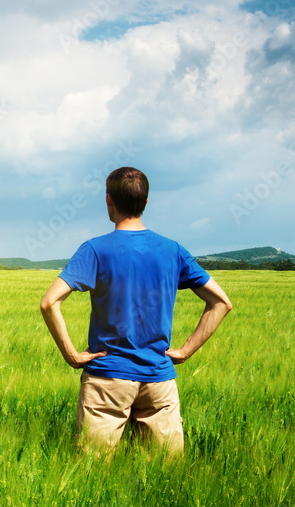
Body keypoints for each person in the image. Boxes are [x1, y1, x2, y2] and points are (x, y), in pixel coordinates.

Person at [39, 166, 232, 454]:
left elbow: (49, 302)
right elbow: (221, 302)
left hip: (107, 378)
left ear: (109, 200)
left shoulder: (95, 250)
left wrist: (71, 355)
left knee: (93, 476)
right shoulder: (173, 250)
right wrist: (184, 351)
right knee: (165, 478)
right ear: (145, 202)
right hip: (159, 378)